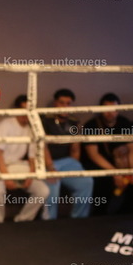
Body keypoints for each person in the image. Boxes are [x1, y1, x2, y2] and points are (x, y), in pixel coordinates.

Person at [0, 95, 50, 223]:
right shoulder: (5, 124)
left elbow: (32, 157)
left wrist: (31, 175)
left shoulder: (31, 129)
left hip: (16, 166)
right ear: (17, 109)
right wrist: (6, 177)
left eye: (30, 110)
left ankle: (23, 220)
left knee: (43, 190)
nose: (27, 114)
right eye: (24, 109)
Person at [82, 93, 133, 215]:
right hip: (99, 164)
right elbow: (93, 155)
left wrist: (131, 171)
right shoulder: (91, 125)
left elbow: (132, 148)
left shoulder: (124, 122)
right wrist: (115, 174)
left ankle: (125, 215)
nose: (110, 113)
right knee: (103, 181)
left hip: (120, 162)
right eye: (106, 109)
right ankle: (99, 216)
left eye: (114, 109)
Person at [41, 89, 93, 220]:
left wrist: (74, 166)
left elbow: (75, 149)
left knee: (86, 182)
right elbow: (42, 147)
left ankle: (79, 220)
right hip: (47, 163)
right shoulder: (45, 119)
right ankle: (49, 222)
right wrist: (50, 168)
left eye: (68, 103)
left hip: (67, 162)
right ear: (55, 103)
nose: (65, 106)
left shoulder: (74, 121)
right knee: (53, 186)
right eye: (61, 103)